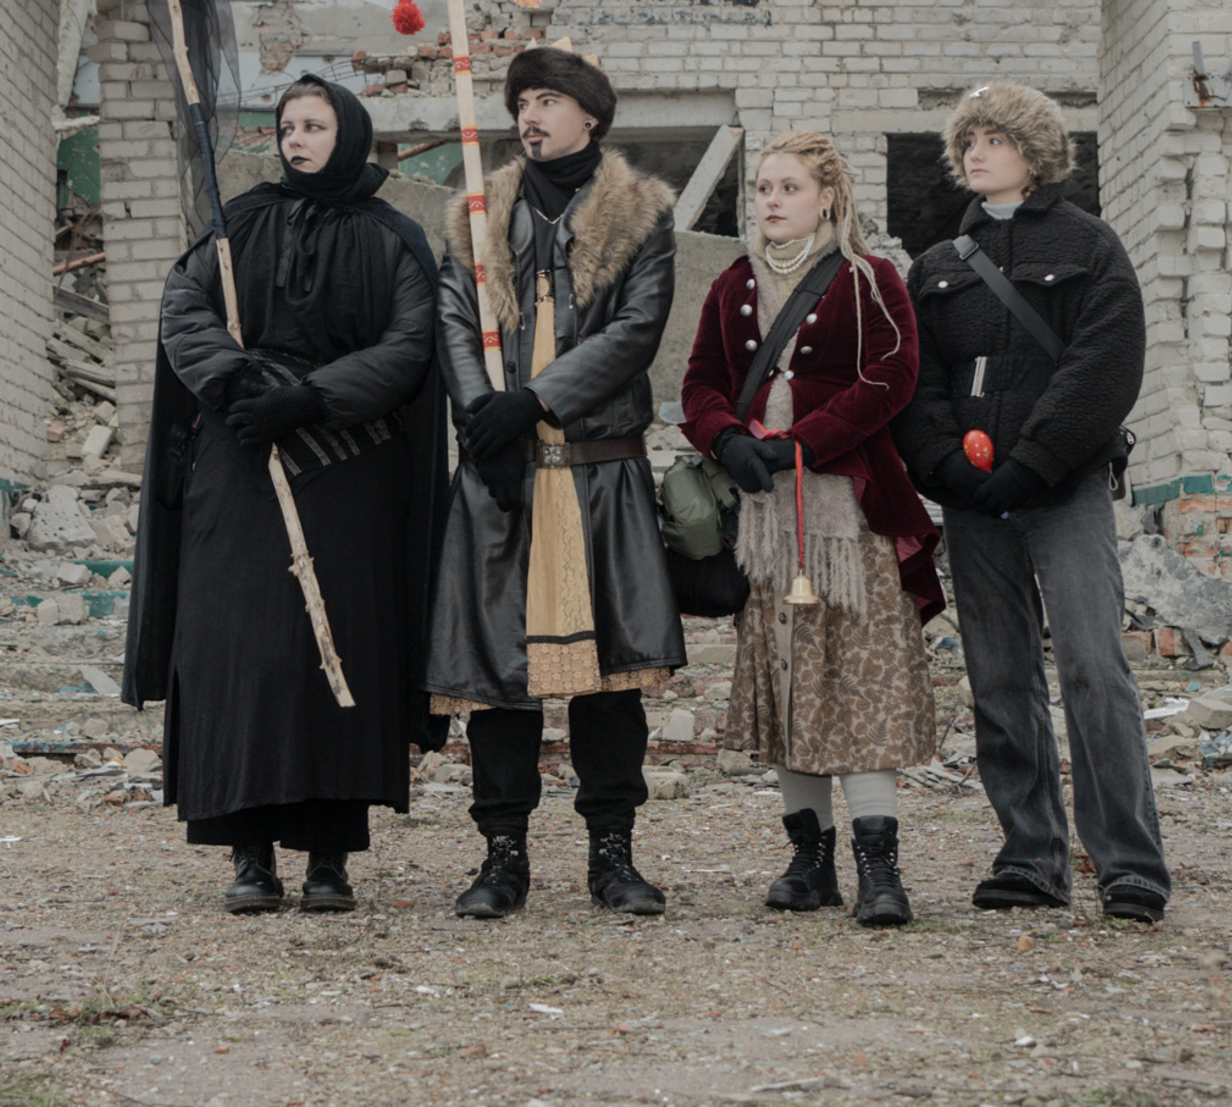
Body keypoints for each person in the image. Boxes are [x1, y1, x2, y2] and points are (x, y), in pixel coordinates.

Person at [122, 76, 449, 916]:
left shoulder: (394, 237)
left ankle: (331, 856)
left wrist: (311, 397)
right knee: (241, 655)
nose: (297, 138)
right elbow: (181, 306)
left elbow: (412, 344)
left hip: (350, 471)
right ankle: (249, 851)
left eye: (315, 124)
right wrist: (235, 380)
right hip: (239, 466)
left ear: (350, 133)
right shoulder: (238, 227)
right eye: (287, 125)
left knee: (334, 653)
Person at [890, 81, 1172, 924]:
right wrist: (945, 466)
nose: (975, 151)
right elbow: (918, 381)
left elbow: (1104, 368)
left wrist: (1035, 462)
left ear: (1035, 150)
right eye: (967, 139)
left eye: (994, 137)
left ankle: (1128, 863)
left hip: (1065, 491)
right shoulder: (936, 267)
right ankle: (1031, 853)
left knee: (1093, 668)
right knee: (1001, 677)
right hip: (974, 502)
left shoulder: (1092, 247)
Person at [428, 46, 684, 920]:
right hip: (502, 474)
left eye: (549, 99)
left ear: (592, 116)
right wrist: (481, 415)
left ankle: (613, 854)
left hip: (596, 472)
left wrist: (533, 398)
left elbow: (636, 333)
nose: (530, 115)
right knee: (502, 674)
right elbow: (455, 320)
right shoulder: (475, 213)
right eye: (522, 101)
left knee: (609, 676)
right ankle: (503, 856)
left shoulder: (642, 219)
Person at [678, 132, 944, 928]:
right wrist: (726, 438)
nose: (769, 200)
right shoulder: (731, 285)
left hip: (855, 512)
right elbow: (698, 383)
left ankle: (878, 867)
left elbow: (893, 376)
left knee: (862, 686)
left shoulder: (873, 280)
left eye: (787, 186)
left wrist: (805, 443)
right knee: (791, 684)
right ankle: (810, 859)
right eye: (761, 187)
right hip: (767, 521)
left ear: (826, 196)